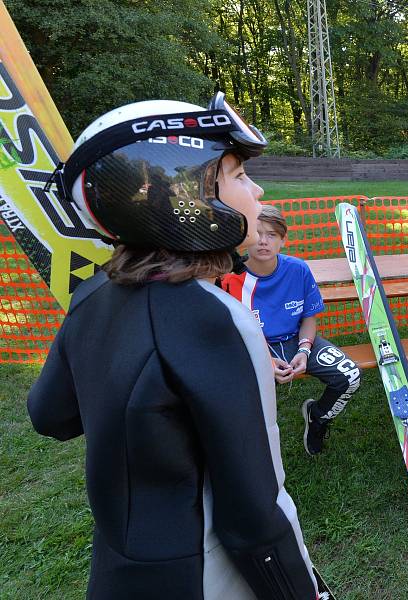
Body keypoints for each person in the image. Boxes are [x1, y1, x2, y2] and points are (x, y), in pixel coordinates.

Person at [27, 95, 319, 599]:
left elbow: (50, 414)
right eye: (239, 176)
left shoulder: (94, 292)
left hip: (118, 569)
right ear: (190, 193)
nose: (258, 188)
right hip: (205, 577)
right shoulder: (219, 319)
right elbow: (256, 509)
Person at [222, 205, 361, 456]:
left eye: (272, 235)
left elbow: (309, 316)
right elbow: (237, 333)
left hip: (296, 340)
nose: (263, 241)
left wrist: (305, 350)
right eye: (257, 233)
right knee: (239, 400)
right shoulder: (230, 278)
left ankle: (317, 417)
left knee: (349, 376)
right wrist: (266, 361)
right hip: (252, 346)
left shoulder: (298, 269)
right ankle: (248, 447)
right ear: (246, 238)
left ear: (283, 240)